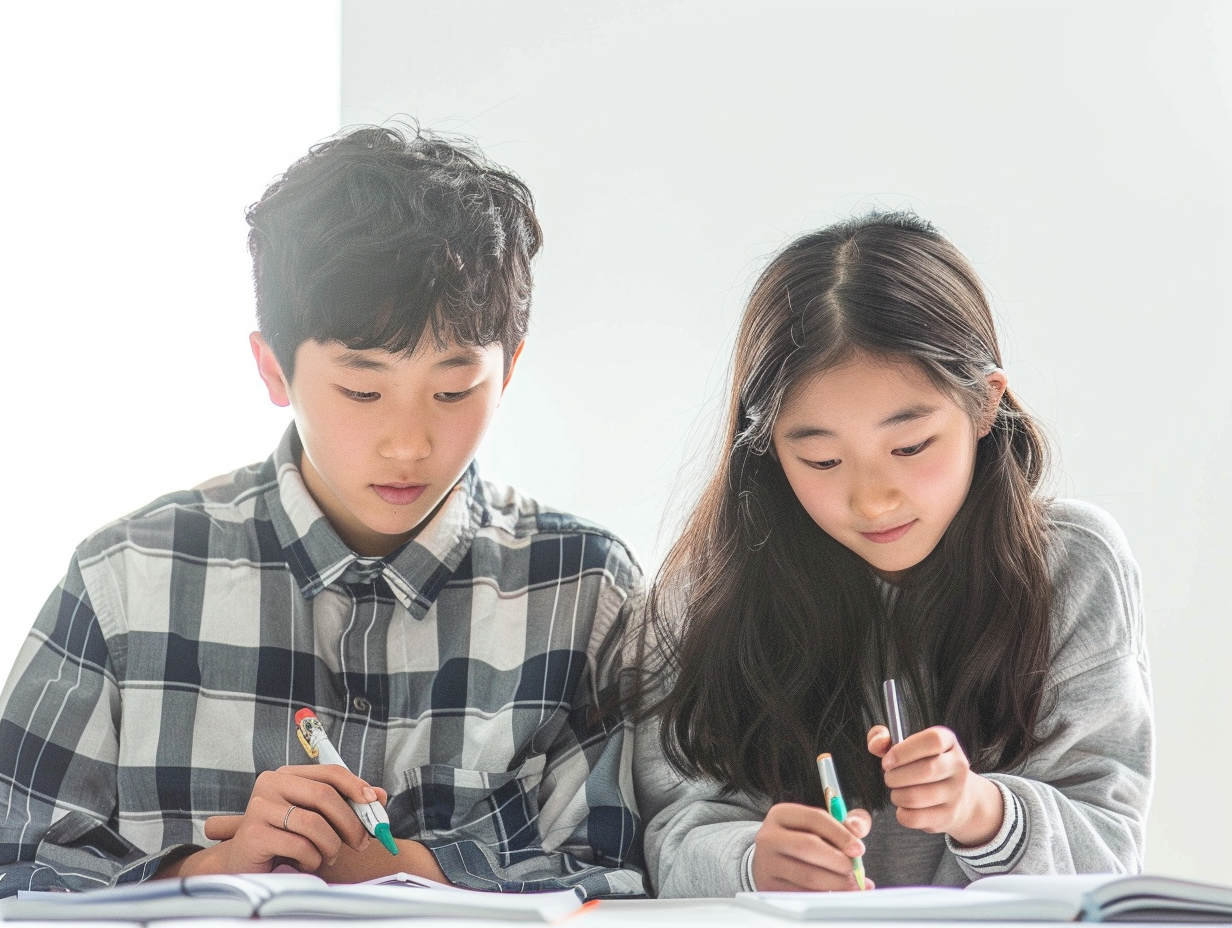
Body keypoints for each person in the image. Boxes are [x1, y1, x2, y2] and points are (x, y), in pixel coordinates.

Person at [0, 125, 646, 899]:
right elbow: (13, 859)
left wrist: (398, 870)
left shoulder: (581, 587)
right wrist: (208, 870)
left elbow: (622, 872)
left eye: (452, 390)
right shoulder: (130, 576)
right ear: (273, 369)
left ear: (509, 370)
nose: (407, 444)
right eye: (361, 391)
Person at [636, 212, 1152, 895]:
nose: (873, 501)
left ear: (984, 405)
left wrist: (981, 811)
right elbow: (668, 833)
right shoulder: (708, 586)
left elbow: (1111, 853)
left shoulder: (1073, 569)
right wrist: (749, 860)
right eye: (820, 459)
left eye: (910, 448)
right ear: (765, 449)